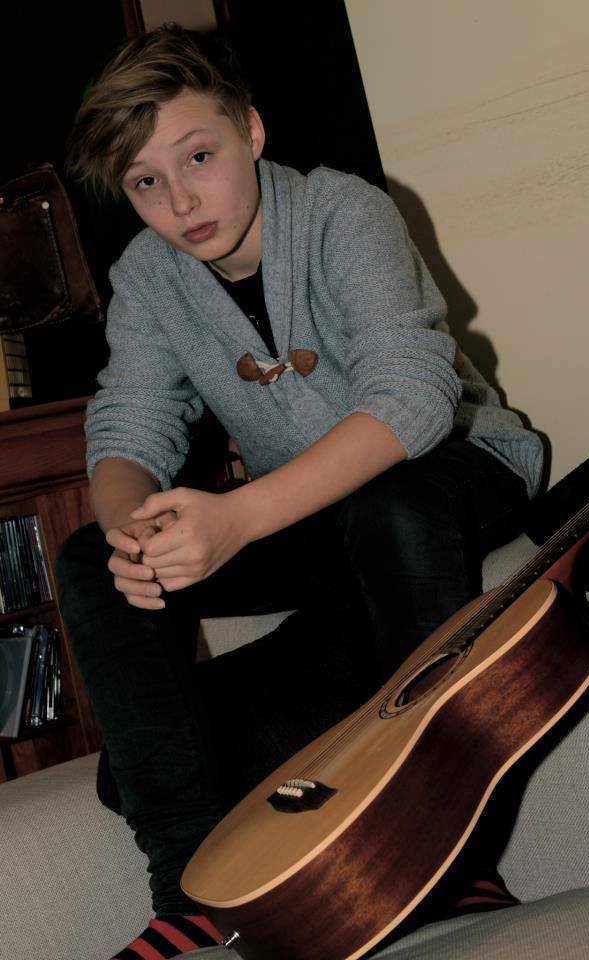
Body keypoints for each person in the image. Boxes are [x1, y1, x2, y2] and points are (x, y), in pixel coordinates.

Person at [57, 23, 544, 960]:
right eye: (145, 182)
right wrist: (133, 532)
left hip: (450, 471)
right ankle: (190, 893)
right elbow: (128, 428)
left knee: (392, 508)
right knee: (90, 561)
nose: (180, 201)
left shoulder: (342, 212)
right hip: (318, 523)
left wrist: (239, 517)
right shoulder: (147, 277)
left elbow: (414, 398)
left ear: (250, 130)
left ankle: (451, 863)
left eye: (199, 156)